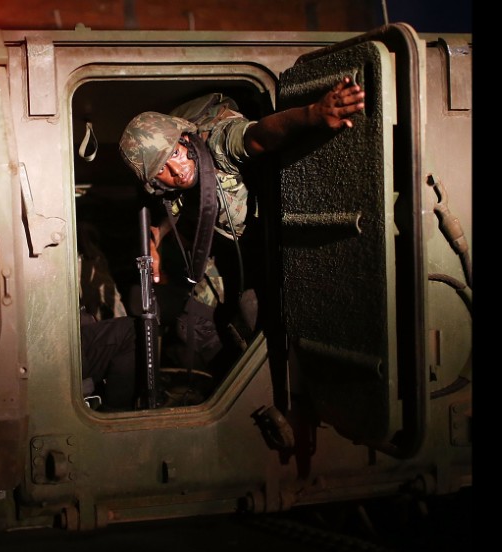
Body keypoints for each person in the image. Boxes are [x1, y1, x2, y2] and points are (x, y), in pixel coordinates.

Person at [117, 77, 366, 379]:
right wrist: (154, 243)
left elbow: (256, 136)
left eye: (174, 153)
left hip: (275, 242)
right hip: (223, 247)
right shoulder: (165, 189)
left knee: (258, 314)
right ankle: (228, 383)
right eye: (161, 170)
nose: (177, 170)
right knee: (190, 322)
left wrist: (311, 115)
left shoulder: (215, 144)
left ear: (185, 140)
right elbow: (165, 211)